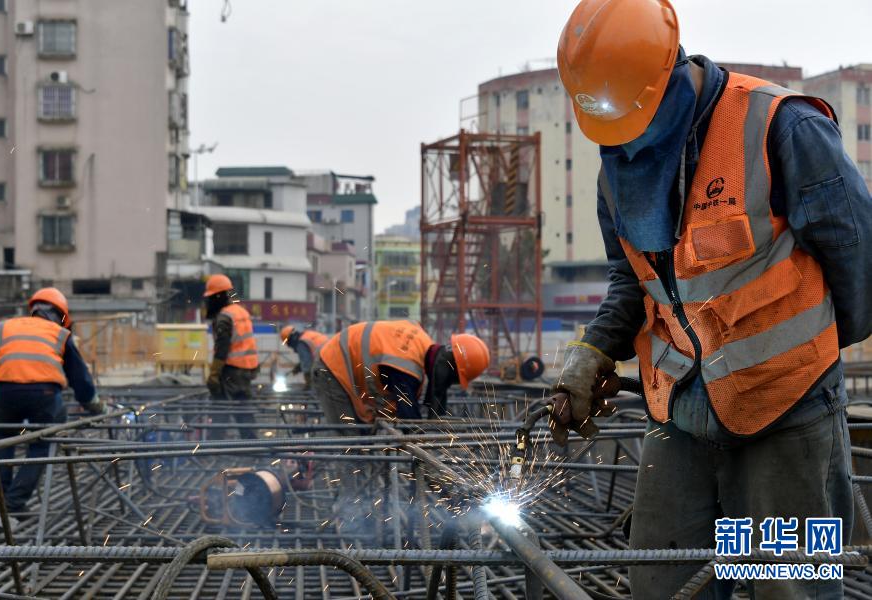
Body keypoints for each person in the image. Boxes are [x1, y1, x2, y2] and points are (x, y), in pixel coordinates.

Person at [552, 1, 872, 598]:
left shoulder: (782, 126)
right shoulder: (615, 171)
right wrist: (594, 350)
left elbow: (858, 256)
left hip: (789, 411)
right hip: (679, 412)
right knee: (667, 585)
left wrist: (813, 360)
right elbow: (634, 280)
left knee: (787, 587)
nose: (626, 140)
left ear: (668, 74)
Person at [0, 287, 103, 532]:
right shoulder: (60, 334)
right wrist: (95, 406)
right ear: (61, 315)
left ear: (33, 309)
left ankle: (0, 495)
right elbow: (81, 381)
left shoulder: (3, 327)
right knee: (43, 442)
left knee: (3, 439)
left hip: (6, 393)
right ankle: (13, 504)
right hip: (44, 394)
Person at [313, 320, 490, 425]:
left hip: (343, 366)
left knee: (362, 438)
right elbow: (409, 420)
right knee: (350, 442)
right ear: (450, 368)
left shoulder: (421, 341)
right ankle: (348, 489)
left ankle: (361, 485)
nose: (448, 384)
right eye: (453, 380)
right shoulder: (406, 368)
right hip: (332, 366)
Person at [203, 274, 259, 439]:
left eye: (211, 298)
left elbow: (222, 348)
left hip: (231, 371)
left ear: (218, 296)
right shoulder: (241, 311)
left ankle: (215, 448)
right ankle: (253, 448)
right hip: (247, 370)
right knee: (244, 411)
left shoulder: (224, 317)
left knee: (220, 408)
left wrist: (213, 374)